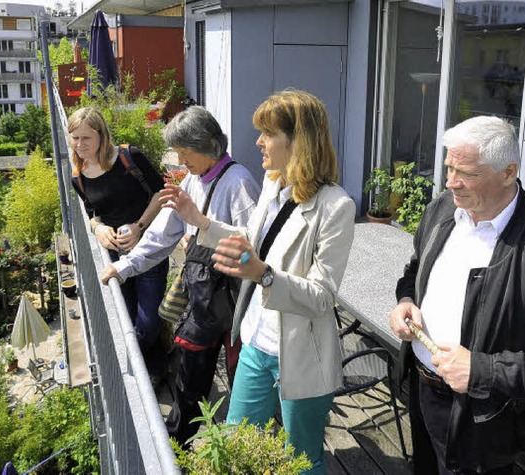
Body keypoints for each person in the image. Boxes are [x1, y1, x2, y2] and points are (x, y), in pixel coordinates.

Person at [161, 90, 356, 474]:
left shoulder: (336, 207)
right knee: (234, 444)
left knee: (301, 461)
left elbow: (321, 296)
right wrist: (200, 221)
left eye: (268, 133)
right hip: (254, 340)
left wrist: (263, 274)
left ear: (297, 141)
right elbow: (250, 241)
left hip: (299, 355)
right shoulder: (272, 184)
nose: (258, 142)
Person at [389, 116, 525, 474]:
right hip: (422, 391)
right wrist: (406, 301)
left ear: (508, 172)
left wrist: (483, 371)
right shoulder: (443, 209)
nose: (451, 182)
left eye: (467, 173)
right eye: (449, 168)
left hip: (487, 420)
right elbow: (414, 271)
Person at [100, 105, 260, 445]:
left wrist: (202, 234)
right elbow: (160, 235)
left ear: (210, 146)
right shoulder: (193, 179)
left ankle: (238, 445)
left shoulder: (239, 182)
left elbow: (252, 247)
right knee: (190, 373)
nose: (181, 162)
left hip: (234, 302)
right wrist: (124, 267)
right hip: (204, 299)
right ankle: (178, 444)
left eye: (186, 154)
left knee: (238, 378)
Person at [68, 107, 169, 383]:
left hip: (148, 248)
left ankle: (141, 370)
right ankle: (155, 367)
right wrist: (98, 227)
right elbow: (91, 212)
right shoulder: (78, 175)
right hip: (114, 255)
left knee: (147, 320)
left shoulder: (128, 157)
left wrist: (139, 226)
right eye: (74, 138)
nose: (80, 145)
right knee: (129, 314)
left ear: (102, 135)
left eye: (86, 138)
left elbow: (162, 193)